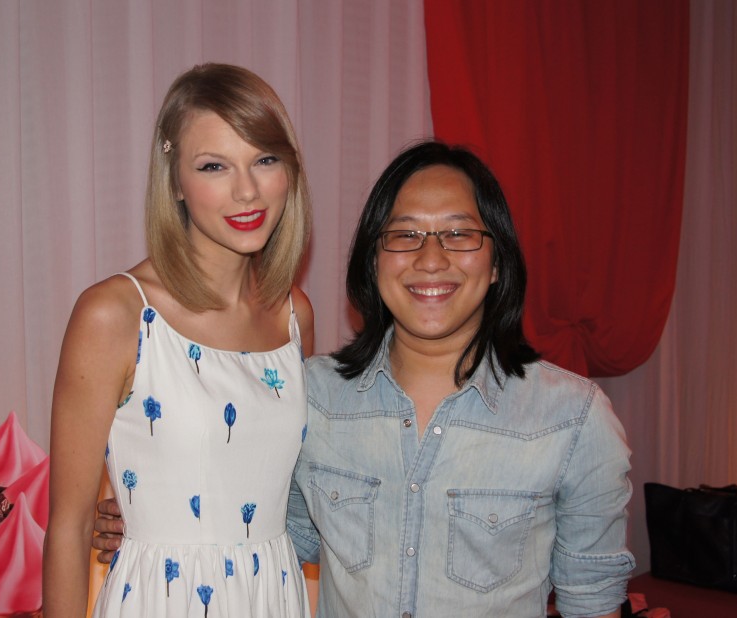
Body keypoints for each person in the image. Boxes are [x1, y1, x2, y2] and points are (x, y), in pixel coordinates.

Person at [95, 141, 635, 617]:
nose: (430, 258)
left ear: (497, 263)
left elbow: (593, 602)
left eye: (459, 233)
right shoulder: (313, 398)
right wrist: (163, 517)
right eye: (404, 235)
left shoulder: (573, 419)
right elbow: (271, 527)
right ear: (373, 262)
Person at [43, 63, 314, 617]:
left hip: (272, 597)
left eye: (265, 159)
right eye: (214, 166)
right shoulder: (115, 314)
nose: (247, 190)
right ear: (175, 182)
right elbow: (68, 527)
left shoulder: (294, 315)